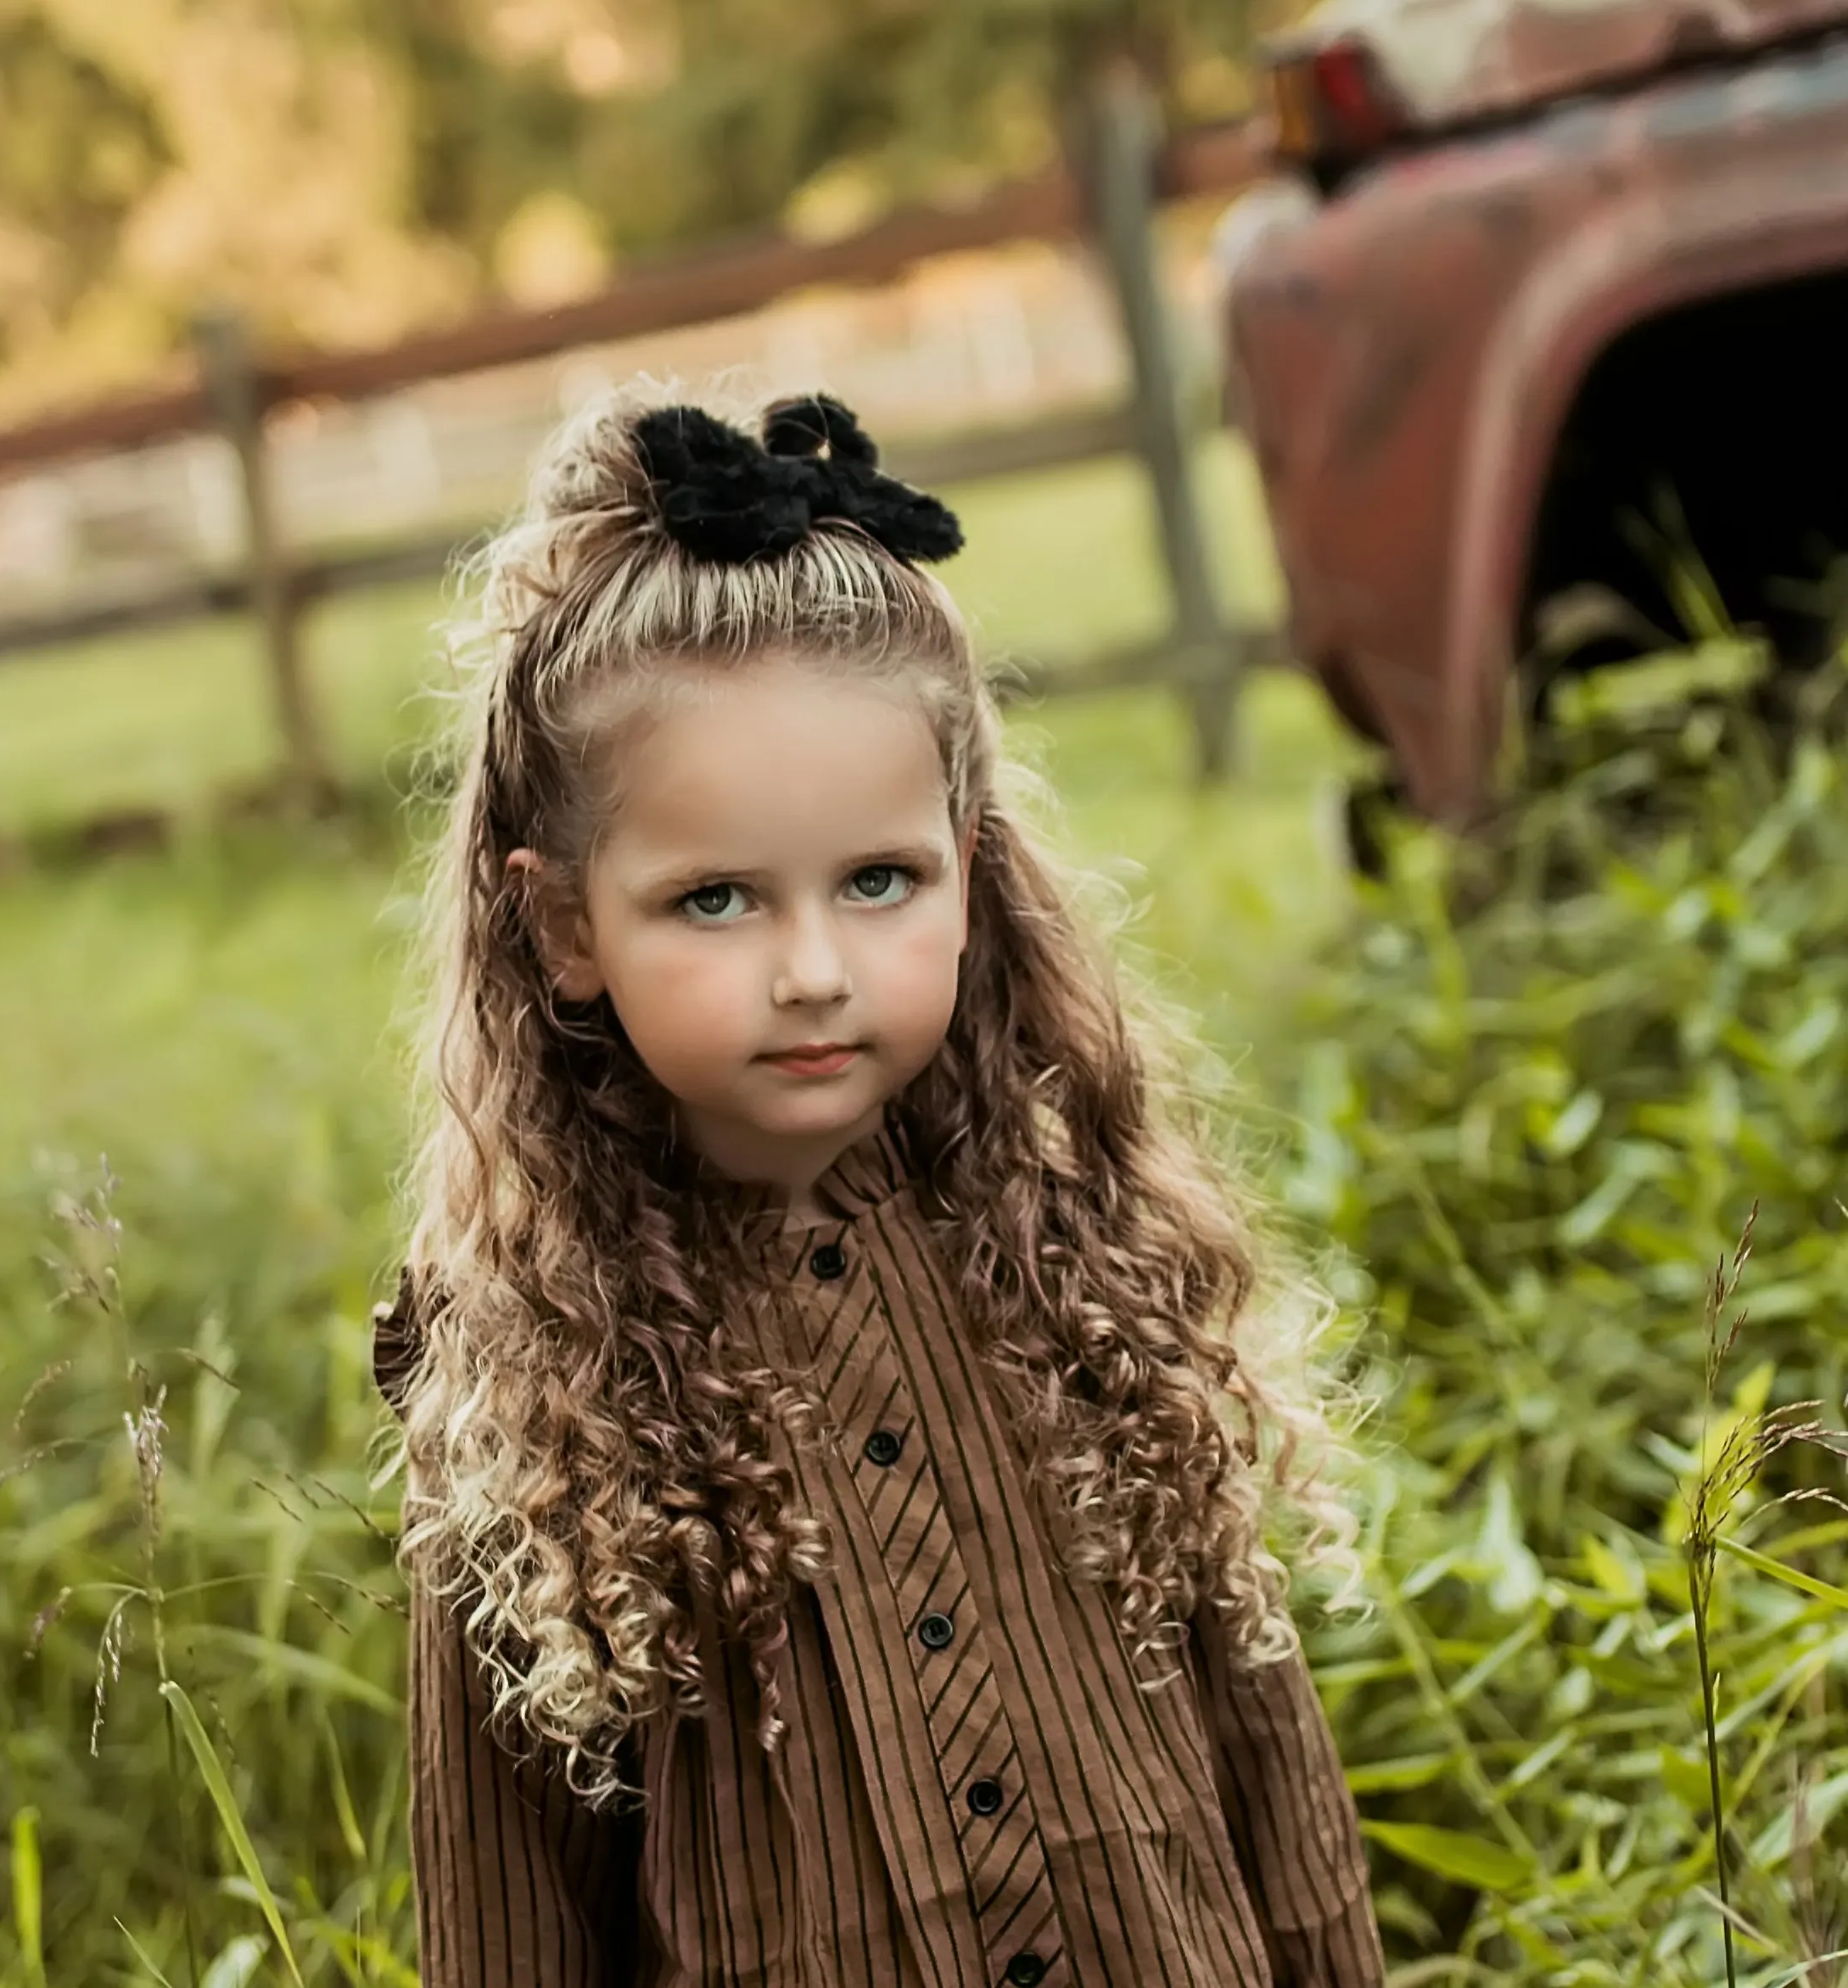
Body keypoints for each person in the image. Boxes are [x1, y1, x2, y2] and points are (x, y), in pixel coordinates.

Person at [371, 381, 1383, 1988]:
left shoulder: (1081, 1247)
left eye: (877, 879)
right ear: (562, 923)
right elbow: (506, 1898)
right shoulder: (527, 1366)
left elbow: (1266, 1751)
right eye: (713, 898)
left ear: (967, 870)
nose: (814, 969)